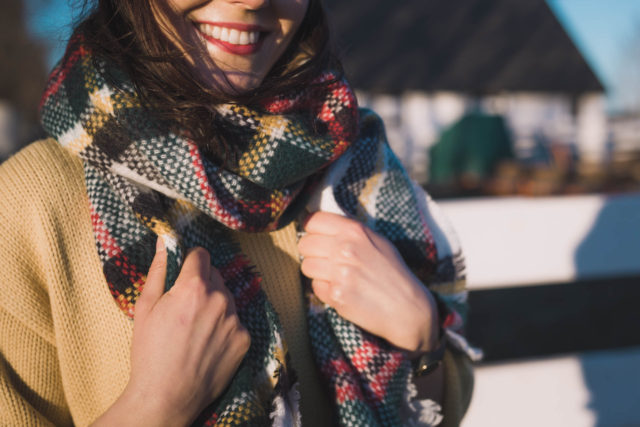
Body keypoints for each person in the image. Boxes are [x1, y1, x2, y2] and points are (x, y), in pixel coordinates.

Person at [0, 0, 477, 425]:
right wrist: (154, 405)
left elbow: (445, 407)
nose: (253, 1)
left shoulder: (358, 172)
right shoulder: (30, 202)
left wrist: (420, 336)